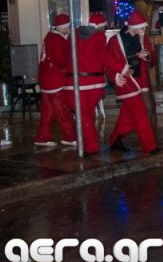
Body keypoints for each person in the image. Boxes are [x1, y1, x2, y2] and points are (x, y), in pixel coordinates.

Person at [63, 13, 130, 155]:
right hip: (91, 83)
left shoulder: (72, 36)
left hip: (72, 82)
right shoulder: (98, 37)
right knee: (86, 115)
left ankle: (88, 145)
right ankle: (91, 147)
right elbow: (103, 56)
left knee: (83, 115)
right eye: (104, 28)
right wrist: (122, 69)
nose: (105, 31)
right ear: (101, 27)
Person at [106, 11, 157, 153]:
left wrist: (147, 56)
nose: (145, 30)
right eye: (143, 28)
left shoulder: (143, 38)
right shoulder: (115, 41)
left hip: (140, 81)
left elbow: (153, 59)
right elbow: (109, 62)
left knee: (127, 115)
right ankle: (149, 146)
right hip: (126, 81)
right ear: (134, 26)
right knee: (140, 112)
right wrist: (115, 76)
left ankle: (115, 139)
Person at [34, 14, 76, 147]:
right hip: (55, 81)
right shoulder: (59, 41)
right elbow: (61, 61)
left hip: (46, 80)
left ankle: (42, 137)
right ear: (63, 27)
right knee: (63, 111)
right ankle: (69, 137)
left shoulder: (49, 37)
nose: (69, 29)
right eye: (68, 27)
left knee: (48, 112)